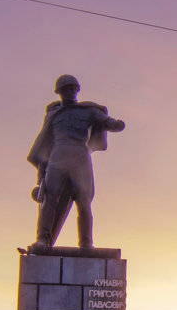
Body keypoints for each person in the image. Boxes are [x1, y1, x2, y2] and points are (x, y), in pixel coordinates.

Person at [27, 74, 125, 251]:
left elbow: (105, 122)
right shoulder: (53, 115)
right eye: (66, 89)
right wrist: (40, 174)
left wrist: (116, 125)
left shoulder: (88, 111)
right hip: (58, 156)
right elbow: (44, 143)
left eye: (73, 88)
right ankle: (42, 239)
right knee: (49, 199)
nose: (70, 92)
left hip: (80, 156)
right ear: (59, 92)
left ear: (77, 90)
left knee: (83, 200)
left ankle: (86, 243)